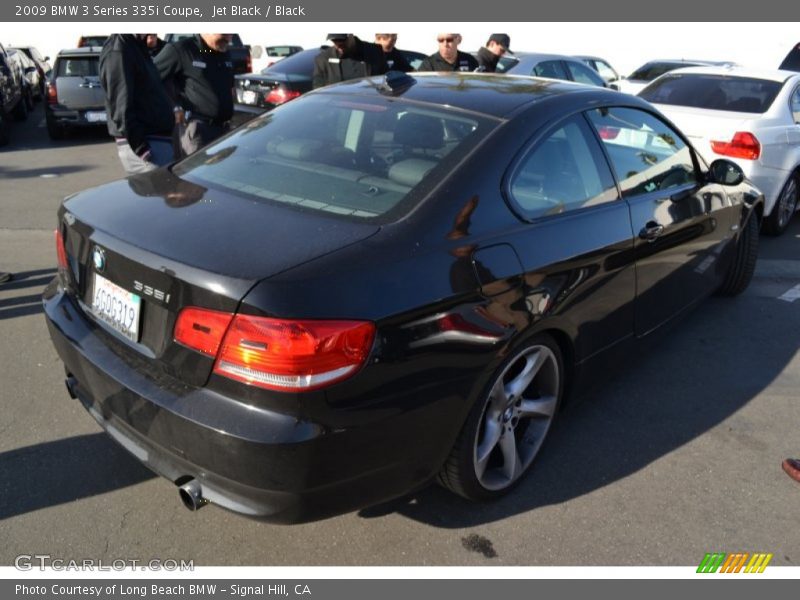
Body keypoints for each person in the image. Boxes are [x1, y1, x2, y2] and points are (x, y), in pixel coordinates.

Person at [99, 34, 175, 175]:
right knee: (159, 194)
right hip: (149, 149)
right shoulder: (119, 50)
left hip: (158, 143)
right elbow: (120, 106)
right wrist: (142, 149)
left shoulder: (135, 46)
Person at [155, 34, 235, 158]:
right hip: (197, 131)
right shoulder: (183, 50)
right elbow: (150, 79)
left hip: (224, 131)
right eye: (224, 34)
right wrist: (174, 106)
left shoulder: (221, 50)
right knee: (194, 175)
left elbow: (229, 87)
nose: (229, 38)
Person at [312, 34, 388, 89]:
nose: (338, 44)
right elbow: (318, 88)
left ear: (351, 35)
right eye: (334, 40)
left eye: (342, 40)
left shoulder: (374, 52)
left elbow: (386, 80)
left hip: (370, 105)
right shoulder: (323, 59)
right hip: (339, 107)